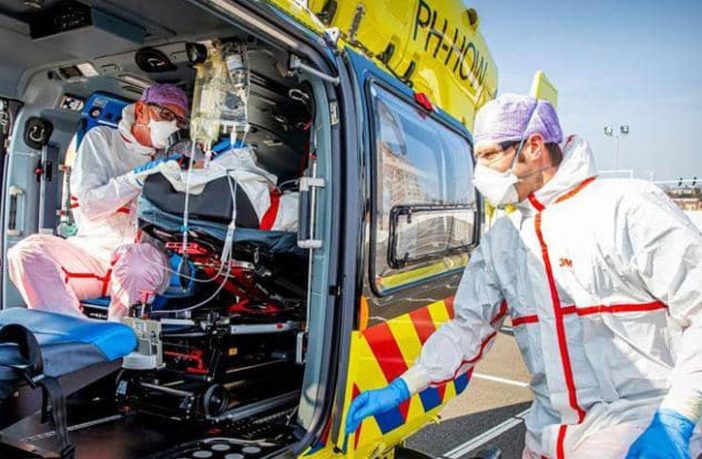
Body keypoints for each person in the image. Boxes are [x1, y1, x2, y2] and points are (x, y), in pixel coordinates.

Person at [346, 94, 702, 459]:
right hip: (546, 433)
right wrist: (406, 385)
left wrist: (677, 416)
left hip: (638, 427)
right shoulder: (504, 238)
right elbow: (469, 328)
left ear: (533, 146)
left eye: (489, 155)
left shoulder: (627, 208)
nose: (479, 173)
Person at [7, 84, 189, 321]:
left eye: (180, 121)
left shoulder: (175, 160)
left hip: (142, 262)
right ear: (141, 110)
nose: (173, 125)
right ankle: (70, 331)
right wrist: (135, 179)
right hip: (93, 253)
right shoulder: (102, 140)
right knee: (26, 253)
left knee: (138, 263)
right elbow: (90, 206)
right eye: (166, 115)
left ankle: (122, 335)